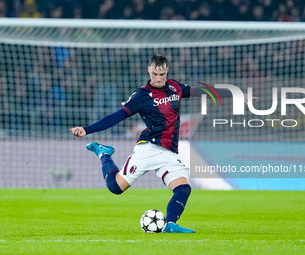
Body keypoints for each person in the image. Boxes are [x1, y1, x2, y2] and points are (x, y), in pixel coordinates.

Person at [69, 54, 257, 233]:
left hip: (170, 153)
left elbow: (203, 91)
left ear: (167, 71)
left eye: (162, 74)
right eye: (155, 74)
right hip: (148, 149)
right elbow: (116, 116)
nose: (159, 78)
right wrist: (87, 129)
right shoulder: (141, 96)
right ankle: (104, 154)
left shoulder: (175, 87)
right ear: (149, 70)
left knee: (183, 188)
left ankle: (170, 224)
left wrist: (236, 94)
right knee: (115, 188)